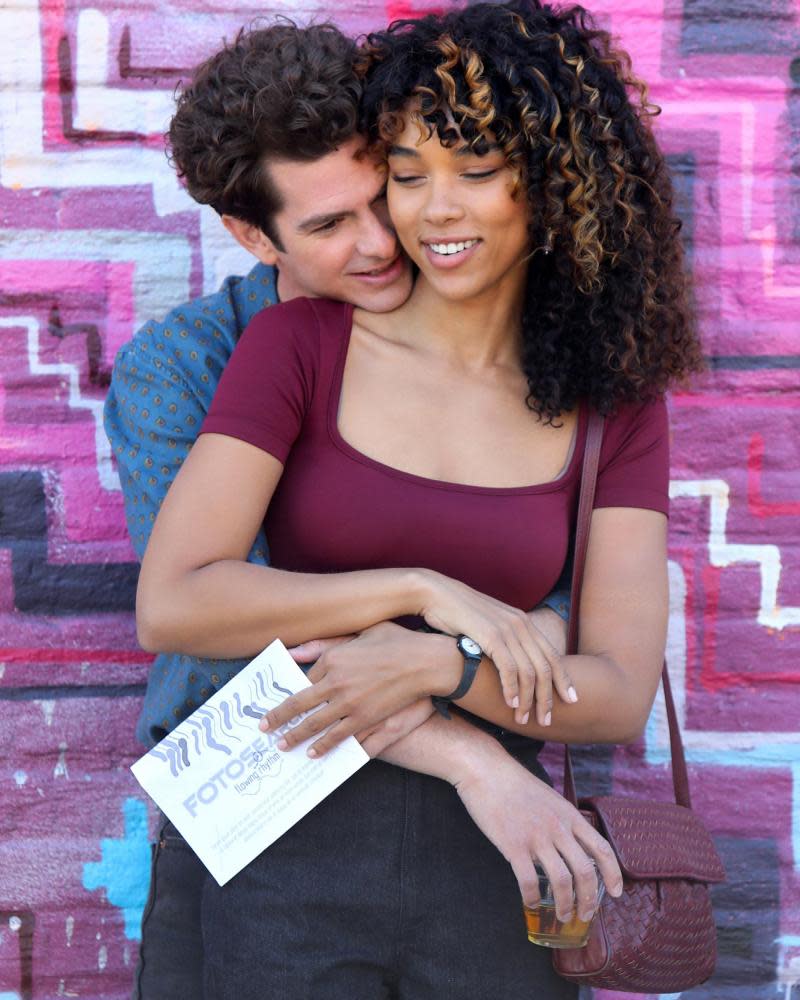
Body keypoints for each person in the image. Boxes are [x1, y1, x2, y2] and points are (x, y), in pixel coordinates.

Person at [134, 1, 705, 994]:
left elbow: (613, 687)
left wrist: (435, 660)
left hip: (499, 854)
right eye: (406, 178)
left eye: (474, 173)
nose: (423, 216)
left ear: (552, 185)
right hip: (275, 818)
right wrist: (422, 590)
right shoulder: (283, 347)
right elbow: (182, 605)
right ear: (253, 236)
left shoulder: (612, 401)